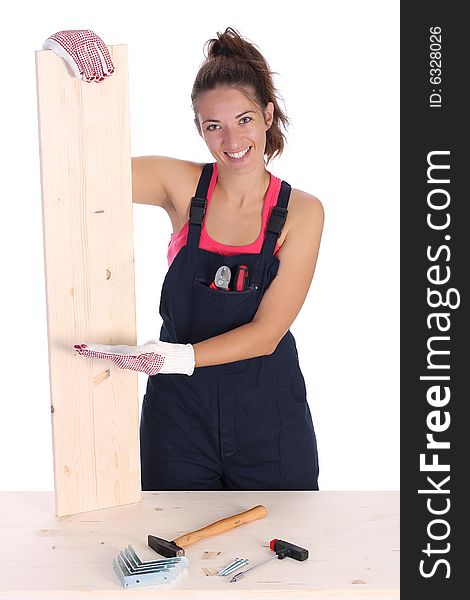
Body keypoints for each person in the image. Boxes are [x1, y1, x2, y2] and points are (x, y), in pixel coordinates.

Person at [51, 27, 324, 490]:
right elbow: (81, 170)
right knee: (170, 551)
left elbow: (266, 334)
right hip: (178, 424)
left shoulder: (302, 212)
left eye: (244, 119)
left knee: (283, 548)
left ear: (267, 116)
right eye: (213, 125)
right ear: (199, 128)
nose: (231, 139)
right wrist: (83, 89)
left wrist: (173, 358)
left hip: (269, 420)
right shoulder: (178, 185)